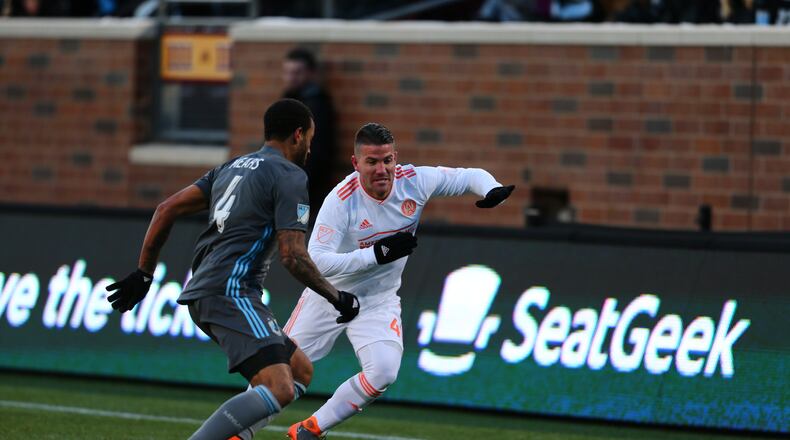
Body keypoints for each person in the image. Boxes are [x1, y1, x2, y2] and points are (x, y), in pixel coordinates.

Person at [105, 99, 360, 440]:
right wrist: (336, 296)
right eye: (310, 139)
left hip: (210, 290)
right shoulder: (289, 174)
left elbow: (166, 208)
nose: (311, 148)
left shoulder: (231, 168)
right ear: (298, 135)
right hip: (231, 291)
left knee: (299, 371)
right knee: (280, 387)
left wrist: (144, 273)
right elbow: (293, 256)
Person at [276, 122, 514, 439]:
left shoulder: (413, 181)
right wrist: (377, 253)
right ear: (356, 163)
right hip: (330, 296)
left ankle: (310, 429)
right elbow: (317, 260)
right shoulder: (342, 199)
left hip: (378, 300)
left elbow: (466, 175)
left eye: (387, 160)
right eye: (372, 162)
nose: (382, 169)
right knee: (281, 371)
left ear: (395, 159)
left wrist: (491, 188)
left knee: (384, 371)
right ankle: (239, 429)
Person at [282, 48, 337, 223]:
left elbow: (317, 151)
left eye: (297, 72)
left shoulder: (316, 105)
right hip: (290, 185)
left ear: (310, 73)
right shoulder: (289, 99)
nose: (291, 77)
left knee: (299, 230)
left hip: (305, 189)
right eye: (288, 72)